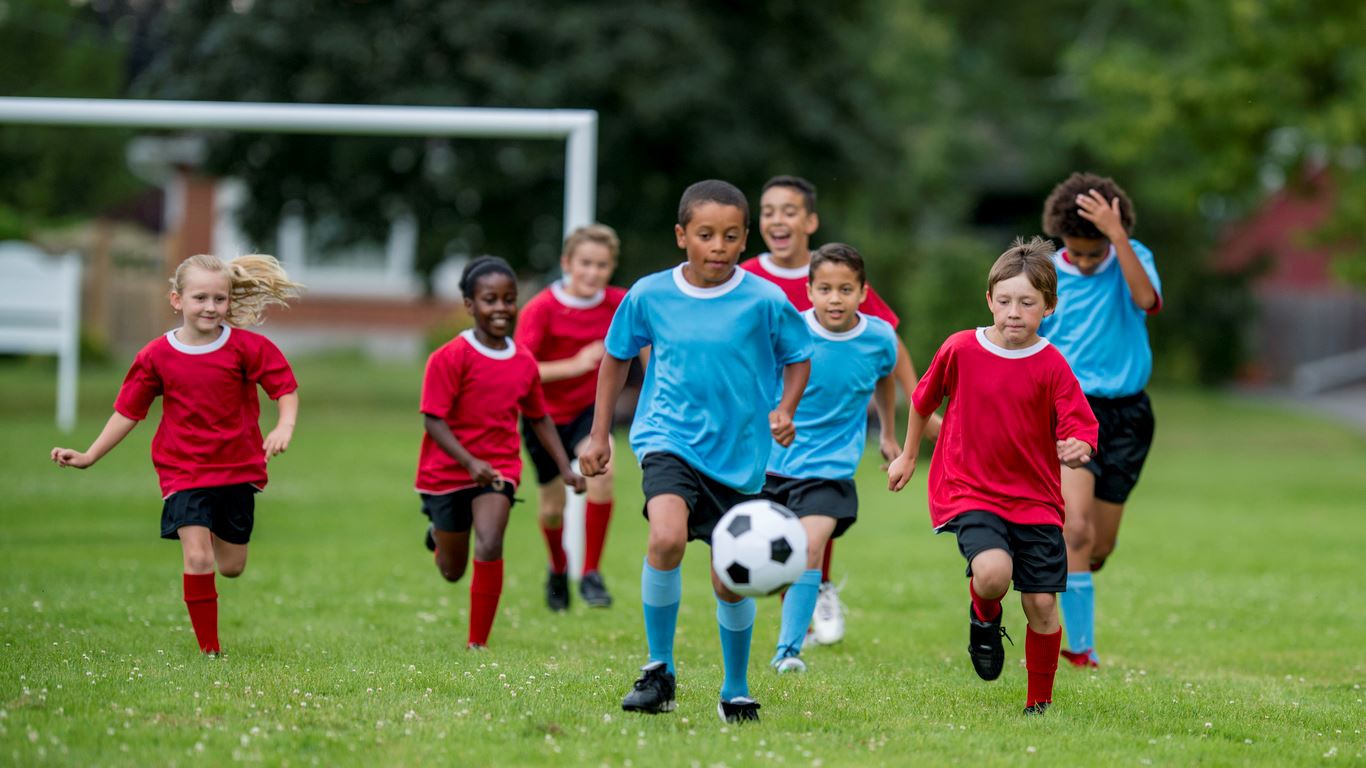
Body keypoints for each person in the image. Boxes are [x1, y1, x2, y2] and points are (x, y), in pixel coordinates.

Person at [579, 179, 812, 724]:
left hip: (740, 455)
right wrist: (597, 434)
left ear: (744, 238)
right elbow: (616, 357)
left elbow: (799, 355)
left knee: (729, 576)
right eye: (705, 234)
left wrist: (786, 408)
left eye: (731, 236)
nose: (718, 246)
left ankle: (735, 689)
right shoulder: (650, 294)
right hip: (667, 439)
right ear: (682, 235)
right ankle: (658, 670)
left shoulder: (763, 298)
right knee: (665, 539)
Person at [50, 253, 302, 657]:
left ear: (229, 301)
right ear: (176, 300)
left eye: (219, 299)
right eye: (200, 298)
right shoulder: (155, 356)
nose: (210, 307)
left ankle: (215, 527)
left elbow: (284, 389)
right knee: (198, 556)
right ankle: (210, 650)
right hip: (182, 472)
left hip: (237, 470)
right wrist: (89, 455)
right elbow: (128, 411)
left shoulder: (247, 348)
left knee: (232, 567)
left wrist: (283, 426)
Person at [887, 236, 1098, 715]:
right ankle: (984, 617)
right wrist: (907, 454)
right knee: (993, 573)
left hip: (1037, 500)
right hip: (970, 489)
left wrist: (1078, 445)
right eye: (1004, 301)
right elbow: (923, 400)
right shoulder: (961, 348)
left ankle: (1038, 706)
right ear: (989, 300)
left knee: (1042, 605)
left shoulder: (1052, 365)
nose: (1014, 313)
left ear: (1049, 307)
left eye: (1027, 303)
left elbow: (1080, 425)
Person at [742, 174, 940, 645]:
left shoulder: (843, 276)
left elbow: (887, 347)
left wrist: (917, 409)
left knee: (813, 527)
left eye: (789, 210)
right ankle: (789, 598)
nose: (778, 220)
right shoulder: (747, 276)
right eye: (768, 211)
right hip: (769, 431)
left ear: (810, 221)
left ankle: (811, 604)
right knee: (770, 539)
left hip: (833, 437)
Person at [417, 256, 585, 649]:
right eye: (490, 299)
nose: (501, 308)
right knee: (452, 571)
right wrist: (468, 461)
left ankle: (478, 643)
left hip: (498, 469)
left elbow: (539, 417)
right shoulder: (449, 357)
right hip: (446, 472)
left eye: (509, 299)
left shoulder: (523, 361)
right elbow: (433, 421)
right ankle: (439, 540)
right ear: (470, 305)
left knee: (490, 541)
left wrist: (565, 466)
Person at [1039, 172, 1161, 668]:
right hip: (1070, 412)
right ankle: (1079, 649)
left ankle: (1067, 575)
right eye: (1077, 252)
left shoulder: (1133, 258)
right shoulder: (1045, 273)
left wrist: (1117, 237)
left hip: (1128, 415)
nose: (1086, 263)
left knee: (1099, 546)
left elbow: (1146, 301)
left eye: (1095, 253)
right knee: (1077, 530)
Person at [763, 243, 899, 674]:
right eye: (824, 289)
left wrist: (889, 435)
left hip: (830, 468)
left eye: (845, 289)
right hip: (771, 463)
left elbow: (886, 379)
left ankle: (789, 652)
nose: (834, 299)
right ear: (808, 290)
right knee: (762, 559)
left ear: (863, 292)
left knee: (809, 547)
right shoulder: (789, 331)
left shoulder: (880, 338)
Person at [515, 224, 628, 611]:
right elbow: (521, 371)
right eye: (585, 263)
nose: (593, 273)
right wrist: (576, 364)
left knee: (604, 470)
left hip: (588, 413)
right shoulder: (542, 309)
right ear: (567, 263)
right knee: (551, 509)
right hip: (542, 419)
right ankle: (558, 568)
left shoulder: (620, 302)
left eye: (602, 265)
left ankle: (591, 573)